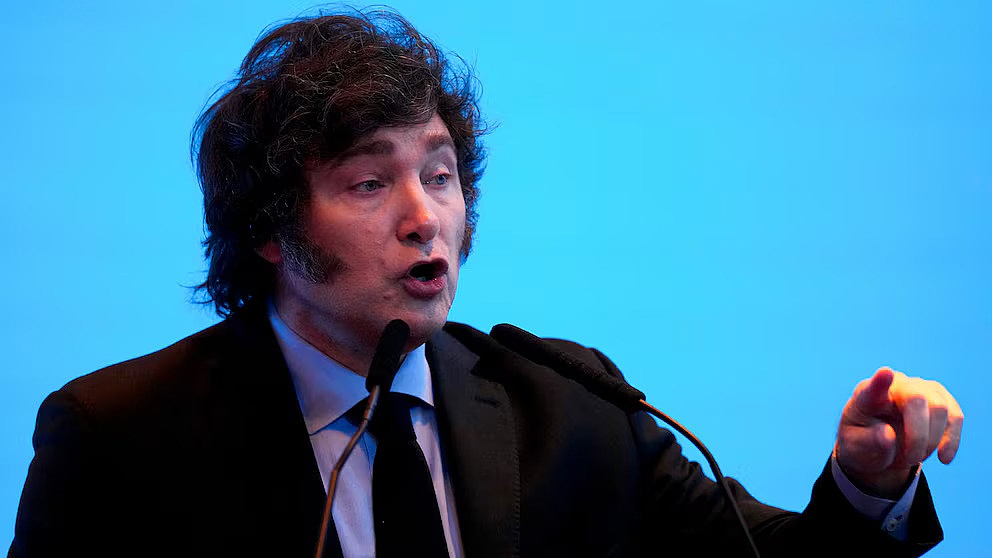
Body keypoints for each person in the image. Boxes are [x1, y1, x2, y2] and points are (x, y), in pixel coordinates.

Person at [9, 8, 963, 558]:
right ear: (268, 229)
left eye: (440, 174)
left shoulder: (571, 407)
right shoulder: (119, 438)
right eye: (369, 183)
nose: (425, 217)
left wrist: (868, 481)